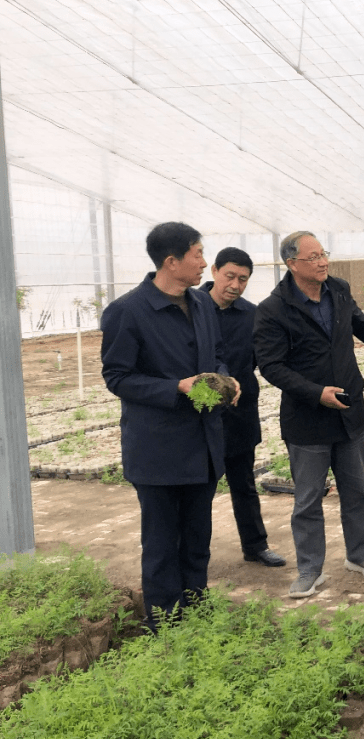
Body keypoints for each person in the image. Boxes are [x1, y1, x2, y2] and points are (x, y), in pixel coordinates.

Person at [101, 222, 239, 629]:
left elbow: (217, 354)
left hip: (203, 444)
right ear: (171, 261)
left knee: (197, 539)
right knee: (162, 543)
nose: (203, 263)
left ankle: (196, 612)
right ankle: (164, 624)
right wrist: (176, 387)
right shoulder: (128, 311)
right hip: (159, 449)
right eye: (198, 254)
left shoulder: (200, 304)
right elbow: (118, 377)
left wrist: (225, 379)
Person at [254, 231, 364, 599]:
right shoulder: (273, 308)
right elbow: (271, 366)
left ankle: (360, 554)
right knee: (307, 501)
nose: (323, 262)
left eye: (324, 254)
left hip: (349, 411)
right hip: (307, 419)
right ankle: (309, 569)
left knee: (356, 492)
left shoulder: (337, 287)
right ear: (292, 264)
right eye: (314, 257)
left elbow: (358, 321)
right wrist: (316, 393)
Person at [200, 247, 286, 568]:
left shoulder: (252, 315)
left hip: (240, 414)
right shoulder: (191, 309)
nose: (235, 285)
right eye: (229, 276)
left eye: (243, 279)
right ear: (214, 271)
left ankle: (255, 546)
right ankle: (193, 552)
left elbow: (267, 359)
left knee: (244, 485)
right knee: (200, 490)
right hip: (203, 414)